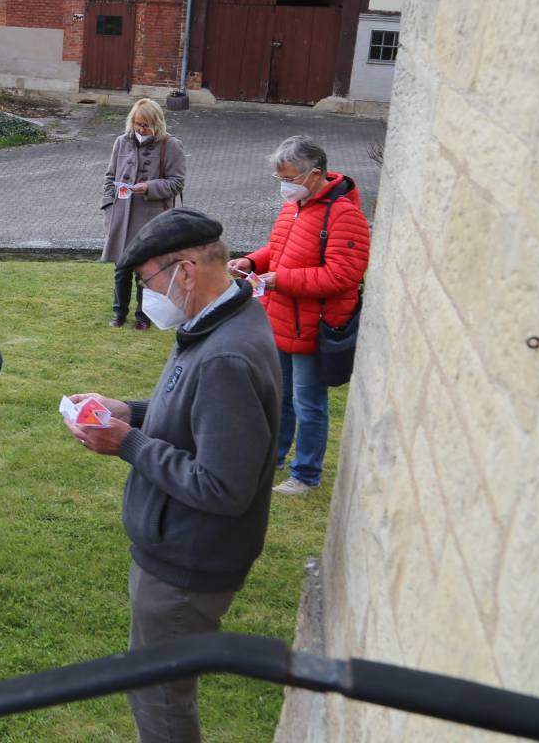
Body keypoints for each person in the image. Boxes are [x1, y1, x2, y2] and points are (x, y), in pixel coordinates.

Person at [65, 208, 279, 743]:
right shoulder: (215, 326)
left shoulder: (224, 355)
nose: (146, 298)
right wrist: (130, 411)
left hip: (187, 564)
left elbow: (223, 486)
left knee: (159, 699)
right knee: (155, 686)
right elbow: (196, 417)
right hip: (175, 549)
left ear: (183, 271)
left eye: (147, 283)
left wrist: (126, 442)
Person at [228, 135, 370, 497]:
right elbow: (280, 248)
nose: (284, 187)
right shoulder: (296, 206)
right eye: (281, 179)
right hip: (280, 320)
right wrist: (252, 261)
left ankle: (306, 474)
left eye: (289, 179)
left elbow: (343, 275)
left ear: (315, 174)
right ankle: (273, 457)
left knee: (309, 403)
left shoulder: (345, 216)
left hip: (313, 327)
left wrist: (280, 280)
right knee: (279, 396)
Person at [101, 98, 187, 330]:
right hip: (121, 216)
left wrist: (149, 187)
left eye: (147, 125)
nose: (141, 129)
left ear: (157, 123)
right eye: (138, 124)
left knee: (146, 269)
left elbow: (177, 183)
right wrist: (108, 206)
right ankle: (119, 312)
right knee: (121, 268)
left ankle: (143, 315)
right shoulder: (122, 142)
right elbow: (110, 177)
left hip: (151, 218)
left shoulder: (171, 145)